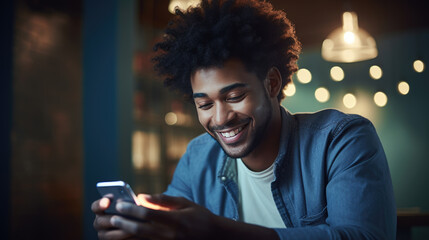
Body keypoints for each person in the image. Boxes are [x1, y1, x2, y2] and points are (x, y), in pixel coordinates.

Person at [92, 0, 396, 239]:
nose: (220, 118)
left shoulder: (342, 139)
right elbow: (173, 228)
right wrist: (139, 228)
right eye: (205, 104)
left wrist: (218, 232)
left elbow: (362, 235)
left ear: (272, 84)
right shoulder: (198, 157)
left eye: (234, 97)